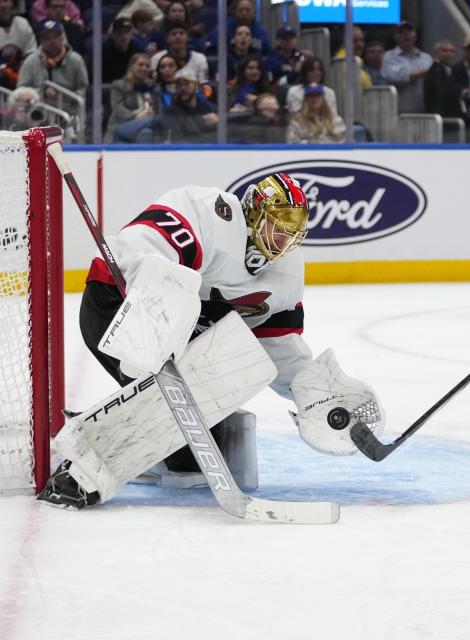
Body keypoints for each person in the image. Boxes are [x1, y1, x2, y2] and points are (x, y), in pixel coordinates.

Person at [37, 173, 386, 509]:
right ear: (252, 214)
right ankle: (82, 471)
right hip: (117, 307)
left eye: (291, 236)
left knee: (192, 456)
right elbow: (141, 260)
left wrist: (318, 396)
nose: (281, 243)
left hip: (178, 339)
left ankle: (151, 444)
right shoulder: (207, 212)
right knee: (175, 314)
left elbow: (274, 344)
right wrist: (155, 341)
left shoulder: (287, 270)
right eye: (275, 229)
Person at [16, 20, 88, 114]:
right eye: (47, 38)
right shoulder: (31, 61)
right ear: (41, 41)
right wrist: (42, 92)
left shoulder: (76, 60)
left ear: (62, 38)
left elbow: (83, 87)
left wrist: (70, 97)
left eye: (56, 37)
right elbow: (21, 90)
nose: (52, 41)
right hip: (38, 113)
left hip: (69, 112)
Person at [381, 21, 433, 113]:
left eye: (409, 32)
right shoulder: (389, 57)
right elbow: (398, 77)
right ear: (396, 37)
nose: (406, 35)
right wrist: (426, 71)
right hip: (398, 114)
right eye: (402, 33)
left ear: (415, 35)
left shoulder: (427, 58)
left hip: (424, 114)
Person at [154, 66, 217, 141]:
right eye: (179, 85)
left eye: (186, 84)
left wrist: (219, 122)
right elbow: (181, 142)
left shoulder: (210, 108)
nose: (182, 88)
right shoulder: (170, 113)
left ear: (196, 87)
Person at [107, 52, 155, 143]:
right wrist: (136, 116)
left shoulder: (153, 87)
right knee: (154, 121)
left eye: (147, 66)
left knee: (147, 133)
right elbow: (118, 108)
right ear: (131, 66)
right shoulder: (119, 85)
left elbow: (158, 107)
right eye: (140, 65)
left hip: (143, 127)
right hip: (123, 125)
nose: (144, 68)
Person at [423, 39, 467, 119]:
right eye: (445, 50)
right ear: (437, 53)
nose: (449, 54)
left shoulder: (452, 70)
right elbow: (440, 94)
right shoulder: (435, 71)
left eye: (452, 51)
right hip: (442, 118)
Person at [103, 16, 143, 84]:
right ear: (113, 35)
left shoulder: (138, 52)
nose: (124, 36)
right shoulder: (103, 53)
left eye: (127, 32)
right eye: (120, 32)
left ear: (131, 34)